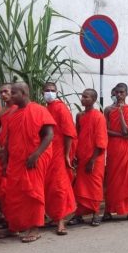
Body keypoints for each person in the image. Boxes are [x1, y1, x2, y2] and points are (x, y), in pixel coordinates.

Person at [0, 82, 55, 243]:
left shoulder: (39, 110)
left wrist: (36, 155)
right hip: (16, 160)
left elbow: (49, 135)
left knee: (33, 193)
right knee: (13, 194)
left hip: (33, 159)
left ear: (24, 93)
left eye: (14, 93)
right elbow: (9, 139)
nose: (11, 96)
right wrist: (5, 160)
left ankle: (35, 228)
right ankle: (14, 226)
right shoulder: (12, 113)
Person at [68, 89, 107, 227]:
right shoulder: (79, 116)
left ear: (94, 100)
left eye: (86, 97)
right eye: (82, 96)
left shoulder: (99, 117)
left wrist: (93, 160)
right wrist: (75, 155)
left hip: (95, 158)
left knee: (95, 186)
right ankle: (79, 214)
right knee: (80, 187)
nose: (83, 99)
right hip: (82, 156)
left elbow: (101, 140)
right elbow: (77, 135)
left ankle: (96, 214)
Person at [42, 82, 77, 235]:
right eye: (47, 90)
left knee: (59, 186)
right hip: (46, 152)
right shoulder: (45, 108)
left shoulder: (60, 108)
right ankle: (54, 216)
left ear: (57, 92)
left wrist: (67, 155)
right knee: (48, 187)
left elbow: (69, 133)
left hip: (59, 153)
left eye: (52, 90)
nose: (49, 93)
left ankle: (61, 221)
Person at [104, 83, 128, 221]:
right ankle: (108, 211)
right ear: (114, 93)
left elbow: (127, 131)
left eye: (122, 92)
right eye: (117, 92)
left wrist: (120, 113)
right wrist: (120, 135)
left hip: (127, 150)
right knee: (113, 181)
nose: (119, 95)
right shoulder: (107, 110)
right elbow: (106, 130)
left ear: (126, 94)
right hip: (114, 149)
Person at [0, 83, 18, 238]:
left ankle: (18, 220)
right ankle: (9, 219)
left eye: (6, 91)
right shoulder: (0, 112)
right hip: (1, 150)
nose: (4, 94)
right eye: (1, 92)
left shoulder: (20, 109)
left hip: (15, 149)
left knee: (14, 187)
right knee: (3, 188)